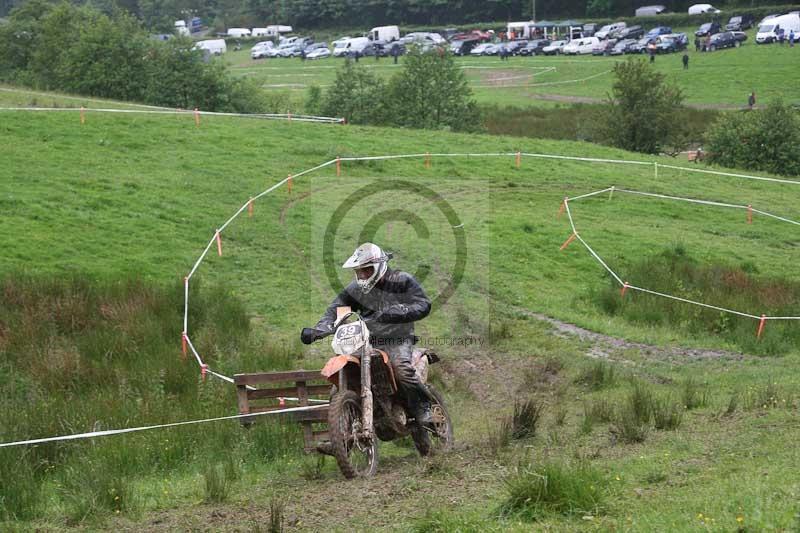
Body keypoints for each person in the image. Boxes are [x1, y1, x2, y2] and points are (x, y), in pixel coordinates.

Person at [301, 243, 433, 426]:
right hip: (365, 340)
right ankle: (341, 432)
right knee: (341, 378)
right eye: (359, 271)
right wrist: (320, 330)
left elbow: (423, 304)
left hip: (397, 338)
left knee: (402, 371)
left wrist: (399, 311)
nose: (362, 275)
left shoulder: (401, 280)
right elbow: (335, 310)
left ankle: (423, 407)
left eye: (367, 270)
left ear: (379, 266)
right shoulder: (355, 289)